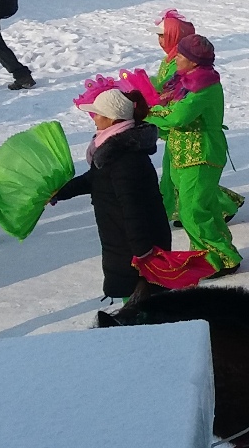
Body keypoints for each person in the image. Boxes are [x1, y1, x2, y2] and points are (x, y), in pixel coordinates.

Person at [48, 87, 171, 302]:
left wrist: (142, 253)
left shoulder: (124, 159)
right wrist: (62, 192)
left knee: (142, 297)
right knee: (132, 293)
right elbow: (94, 179)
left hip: (134, 246)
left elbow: (133, 208)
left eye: (97, 113)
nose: (93, 117)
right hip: (122, 238)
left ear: (112, 119)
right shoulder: (112, 148)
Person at [147, 33, 240, 275]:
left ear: (194, 62)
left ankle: (218, 258)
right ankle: (218, 255)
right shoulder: (183, 79)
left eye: (180, 55)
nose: (175, 58)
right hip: (183, 153)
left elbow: (178, 116)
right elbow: (163, 98)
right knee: (203, 207)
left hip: (201, 155)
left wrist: (143, 113)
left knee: (192, 211)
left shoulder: (204, 86)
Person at [152, 10, 244, 227]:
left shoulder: (200, 84)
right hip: (182, 142)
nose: (159, 40)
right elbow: (167, 92)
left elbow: (180, 114)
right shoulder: (180, 69)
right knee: (182, 185)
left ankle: (216, 244)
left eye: (163, 35)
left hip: (199, 147)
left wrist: (148, 113)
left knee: (195, 199)